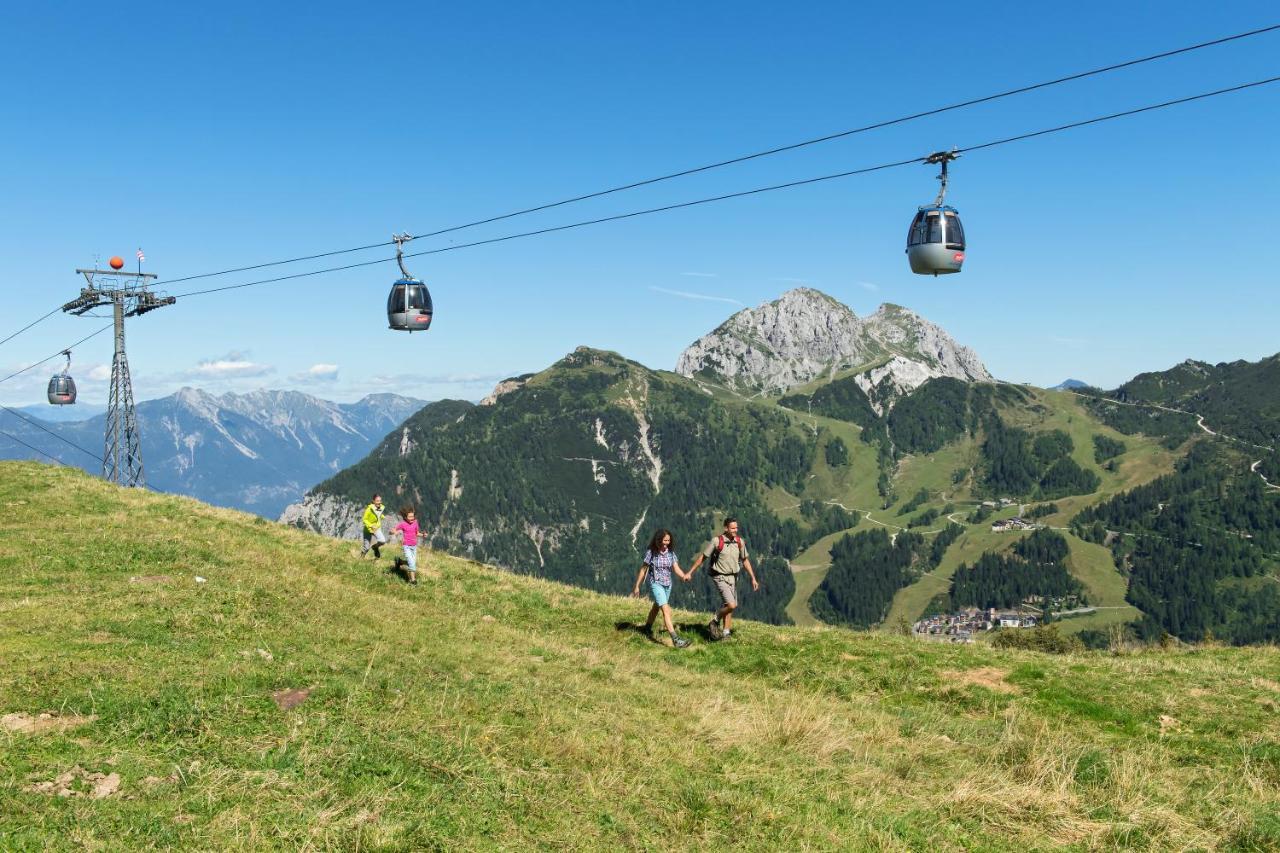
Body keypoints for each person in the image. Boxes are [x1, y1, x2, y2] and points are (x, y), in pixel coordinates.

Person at [687, 517, 759, 640]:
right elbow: (703, 557)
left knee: (728, 605)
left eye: (736, 527)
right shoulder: (717, 541)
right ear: (726, 528)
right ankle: (715, 620)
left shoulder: (739, 542)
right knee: (731, 605)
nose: (735, 530)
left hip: (733, 577)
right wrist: (690, 572)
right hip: (719, 576)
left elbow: (745, 560)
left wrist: (753, 578)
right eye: (732, 528)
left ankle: (726, 633)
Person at [631, 529, 692, 648]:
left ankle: (647, 628)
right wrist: (637, 586)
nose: (666, 543)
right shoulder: (651, 553)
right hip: (656, 584)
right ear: (658, 540)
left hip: (668, 585)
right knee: (665, 609)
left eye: (668, 541)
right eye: (664, 541)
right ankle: (676, 639)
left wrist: (683, 576)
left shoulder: (671, 553)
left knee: (656, 607)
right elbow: (643, 570)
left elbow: (676, 568)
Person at [393, 506, 421, 584]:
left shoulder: (415, 522)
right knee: (412, 564)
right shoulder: (403, 524)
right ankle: (412, 581)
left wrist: (423, 535)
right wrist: (394, 532)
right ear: (405, 517)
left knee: (412, 562)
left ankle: (400, 562)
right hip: (407, 546)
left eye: (413, 516)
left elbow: (417, 533)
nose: (412, 518)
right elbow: (394, 529)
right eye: (410, 516)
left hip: (414, 546)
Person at [360, 494, 387, 559]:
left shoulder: (380, 508)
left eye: (380, 501)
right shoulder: (369, 509)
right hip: (368, 529)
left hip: (376, 528)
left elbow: (378, 514)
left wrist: (382, 516)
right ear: (373, 501)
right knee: (366, 547)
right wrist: (371, 525)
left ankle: (375, 547)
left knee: (382, 541)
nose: (379, 502)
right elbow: (364, 519)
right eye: (377, 501)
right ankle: (361, 558)